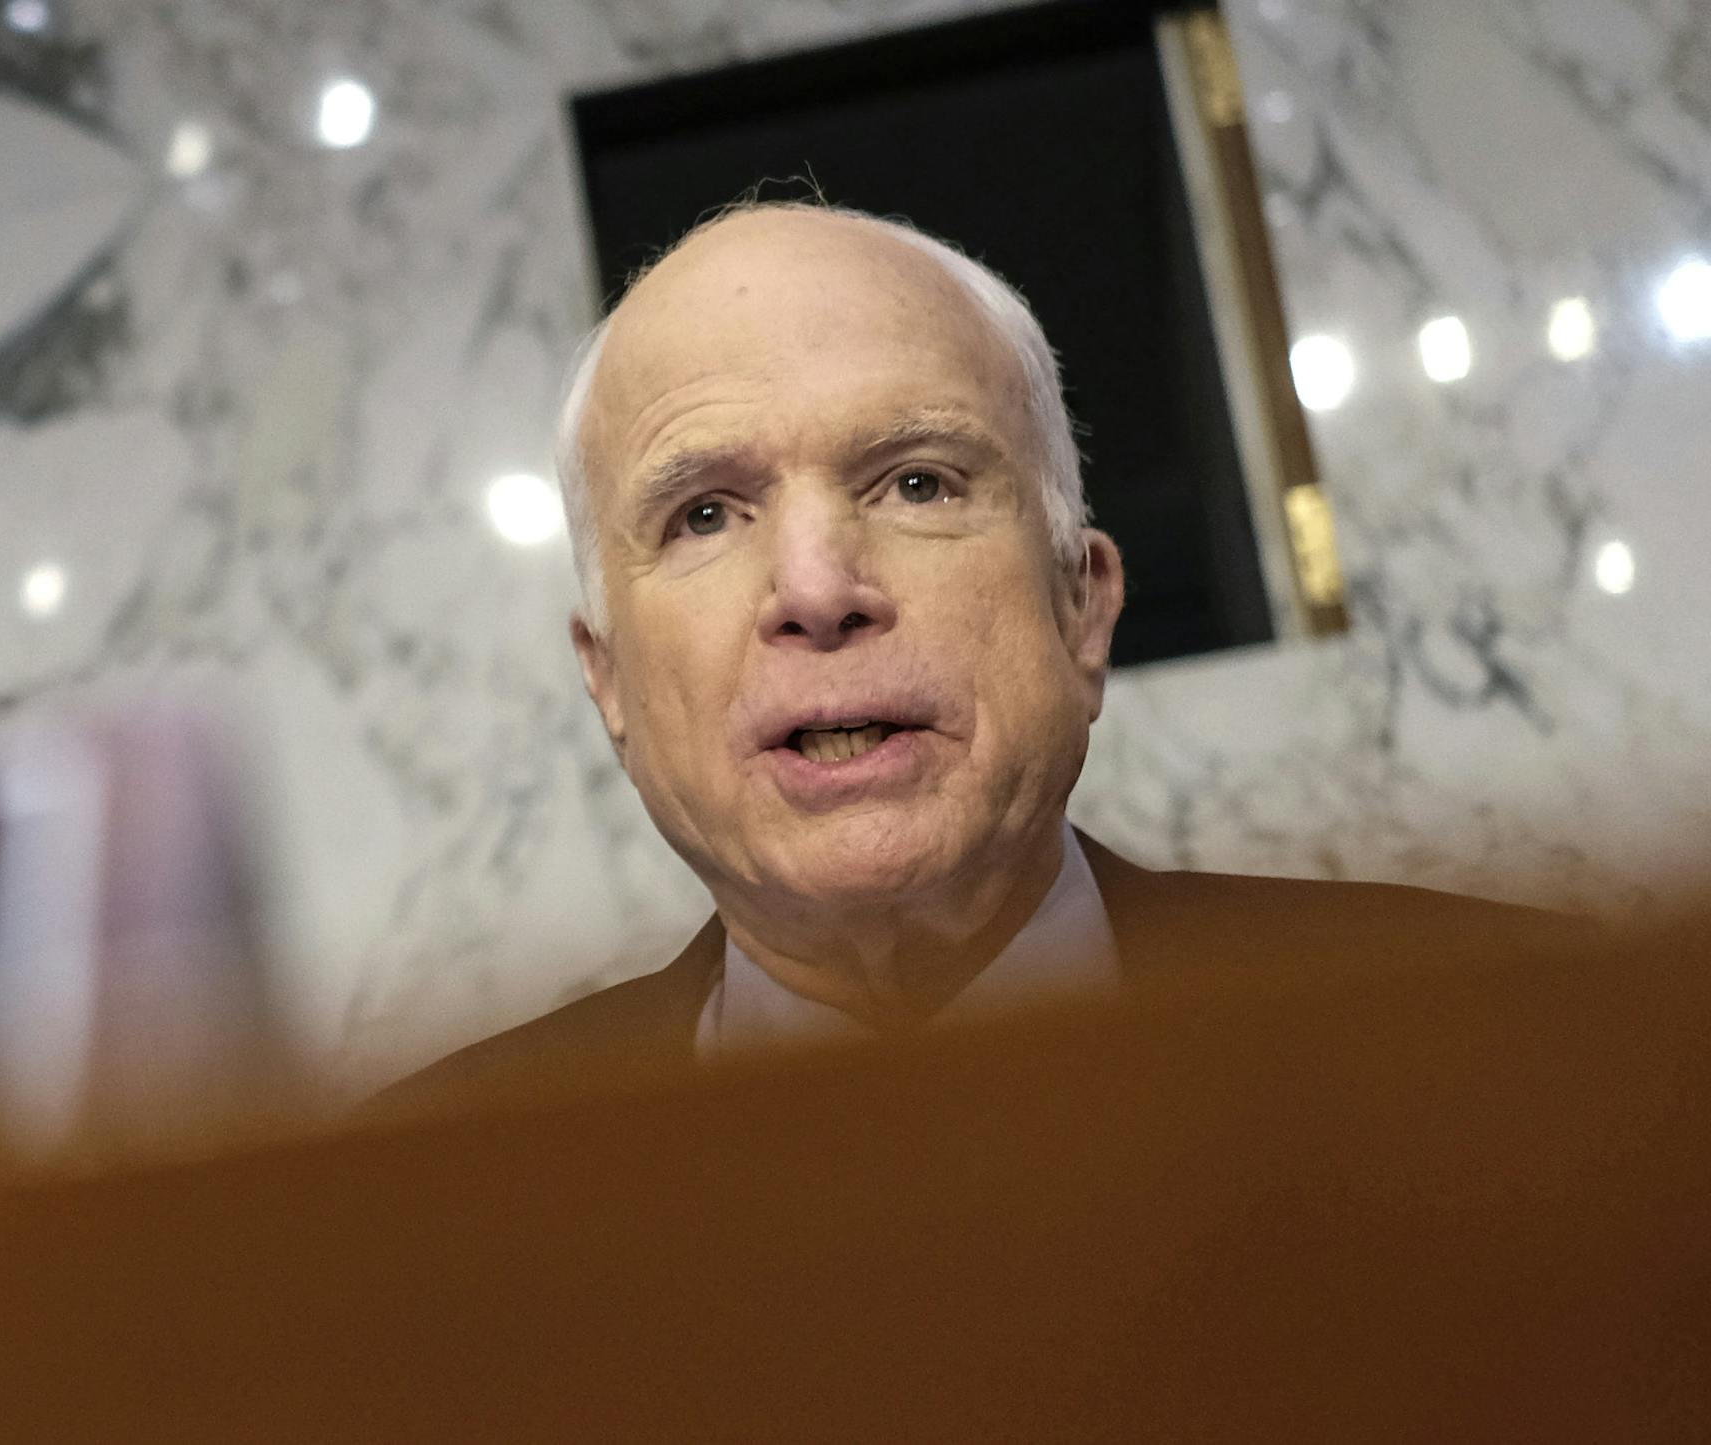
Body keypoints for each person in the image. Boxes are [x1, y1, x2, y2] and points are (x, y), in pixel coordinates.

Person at [374, 201, 1571, 1113]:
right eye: (703, 515)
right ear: (610, 683)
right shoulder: (415, 1200)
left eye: (916, 483)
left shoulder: (1512, 1032)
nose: (817, 590)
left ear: (1081, 604)